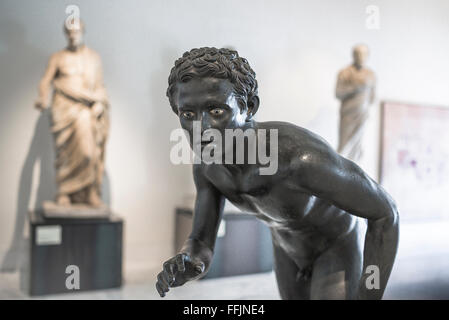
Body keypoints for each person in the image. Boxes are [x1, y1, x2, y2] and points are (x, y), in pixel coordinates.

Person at [156, 47, 398, 299]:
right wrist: (188, 262)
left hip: (334, 247)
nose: (202, 129)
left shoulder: (300, 158)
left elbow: (385, 213)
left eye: (216, 111)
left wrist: (369, 292)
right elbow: (201, 242)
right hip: (286, 250)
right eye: (188, 114)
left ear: (249, 107)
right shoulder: (207, 167)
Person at [35, 20, 109, 207]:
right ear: (65, 34)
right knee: (65, 154)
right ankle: (64, 192)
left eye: (76, 31)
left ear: (83, 32)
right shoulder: (58, 57)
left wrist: (100, 102)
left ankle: (89, 191)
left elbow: (100, 86)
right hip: (63, 110)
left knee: (88, 153)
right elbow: (45, 81)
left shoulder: (93, 57)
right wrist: (43, 98)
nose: (73, 35)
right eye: (69, 32)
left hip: (85, 110)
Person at [336, 44, 376, 162]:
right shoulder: (345, 72)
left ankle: (354, 170)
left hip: (362, 115)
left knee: (357, 146)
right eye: (357, 53)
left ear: (367, 56)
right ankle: (341, 168)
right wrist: (355, 88)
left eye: (363, 54)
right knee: (344, 146)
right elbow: (338, 93)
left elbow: (373, 97)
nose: (360, 57)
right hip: (348, 115)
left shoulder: (370, 75)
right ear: (353, 55)